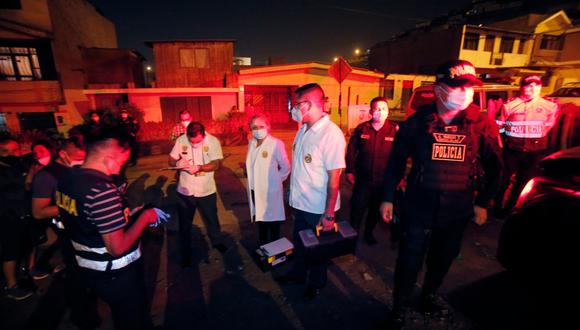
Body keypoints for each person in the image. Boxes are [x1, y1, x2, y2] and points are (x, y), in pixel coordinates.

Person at [379, 60, 502, 328]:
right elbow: (396, 162)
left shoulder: (480, 123)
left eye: (469, 87)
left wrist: (483, 202)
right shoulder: (417, 122)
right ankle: (400, 306)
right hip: (418, 205)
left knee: (443, 257)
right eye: (457, 86)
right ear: (439, 89)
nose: (464, 92)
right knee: (409, 259)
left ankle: (429, 295)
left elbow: (496, 168)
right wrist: (388, 197)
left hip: (457, 208)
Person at [56, 127, 167, 330]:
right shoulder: (101, 190)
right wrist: (144, 218)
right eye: (121, 162)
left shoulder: (67, 180)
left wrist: (130, 215)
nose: (119, 170)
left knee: (121, 315)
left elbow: (91, 220)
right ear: (108, 158)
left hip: (89, 268)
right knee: (132, 320)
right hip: (116, 273)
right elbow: (117, 247)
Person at [276, 83, 346, 301]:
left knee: (317, 250)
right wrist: (290, 192)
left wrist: (328, 214)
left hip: (318, 208)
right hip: (300, 203)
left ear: (309, 104)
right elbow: (300, 166)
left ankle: (317, 283)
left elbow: (334, 178)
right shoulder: (303, 130)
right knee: (299, 243)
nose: (294, 108)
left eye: (297, 104)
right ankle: (298, 274)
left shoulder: (330, 134)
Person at [29, 137, 100, 328]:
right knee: (76, 277)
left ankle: (87, 309)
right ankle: (81, 317)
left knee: (88, 274)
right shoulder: (47, 176)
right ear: (63, 154)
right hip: (67, 234)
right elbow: (38, 211)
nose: (81, 161)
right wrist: (74, 204)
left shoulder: (73, 171)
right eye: (77, 157)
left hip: (81, 230)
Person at [494, 75, 559, 215]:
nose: (532, 88)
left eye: (536, 85)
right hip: (512, 149)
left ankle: (511, 208)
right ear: (521, 87)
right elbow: (500, 125)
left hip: (534, 150)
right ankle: (497, 207)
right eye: (528, 85)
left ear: (540, 87)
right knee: (503, 179)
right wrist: (505, 140)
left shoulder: (550, 106)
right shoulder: (510, 105)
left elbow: (548, 126)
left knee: (523, 182)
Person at [169, 121, 227, 267]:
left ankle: (217, 242)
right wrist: (177, 164)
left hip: (206, 189)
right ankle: (185, 250)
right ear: (187, 135)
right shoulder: (181, 140)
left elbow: (217, 164)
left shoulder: (213, 141)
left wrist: (200, 167)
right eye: (192, 141)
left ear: (203, 134)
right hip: (185, 189)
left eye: (198, 142)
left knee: (211, 219)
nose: (195, 144)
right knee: (185, 223)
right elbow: (170, 159)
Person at [345, 96, 398, 245]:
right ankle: (351, 239)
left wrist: (399, 177)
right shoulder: (362, 129)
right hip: (363, 180)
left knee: (375, 211)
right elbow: (351, 151)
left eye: (383, 109)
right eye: (376, 109)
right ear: (370, 111)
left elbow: (400, 156)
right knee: (357, 210)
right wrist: (349, 170)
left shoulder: (395, 130)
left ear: (388, 112)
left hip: (383, 182)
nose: (379, 112)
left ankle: (368, 233)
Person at [245, 114, 291, 245]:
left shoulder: (276, 143)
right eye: (254, 127)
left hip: (270, 191)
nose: (257, 129)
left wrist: (275, 182)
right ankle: (264, 247)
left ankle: (275, 249)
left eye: (261, 126)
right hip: (254, 189)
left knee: (273, 221)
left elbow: (286, 167)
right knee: (261, 220)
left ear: (268, 127)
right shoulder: (251, 143)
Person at [0, 136, 33, 300]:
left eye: (14, 150)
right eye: (5, 151)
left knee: (24, 246)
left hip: (24, 215)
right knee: (10, 252)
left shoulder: (21, 165)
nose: (10, 154)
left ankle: (23, 272)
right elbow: (14, 192)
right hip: (7, 218)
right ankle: (11, 285)